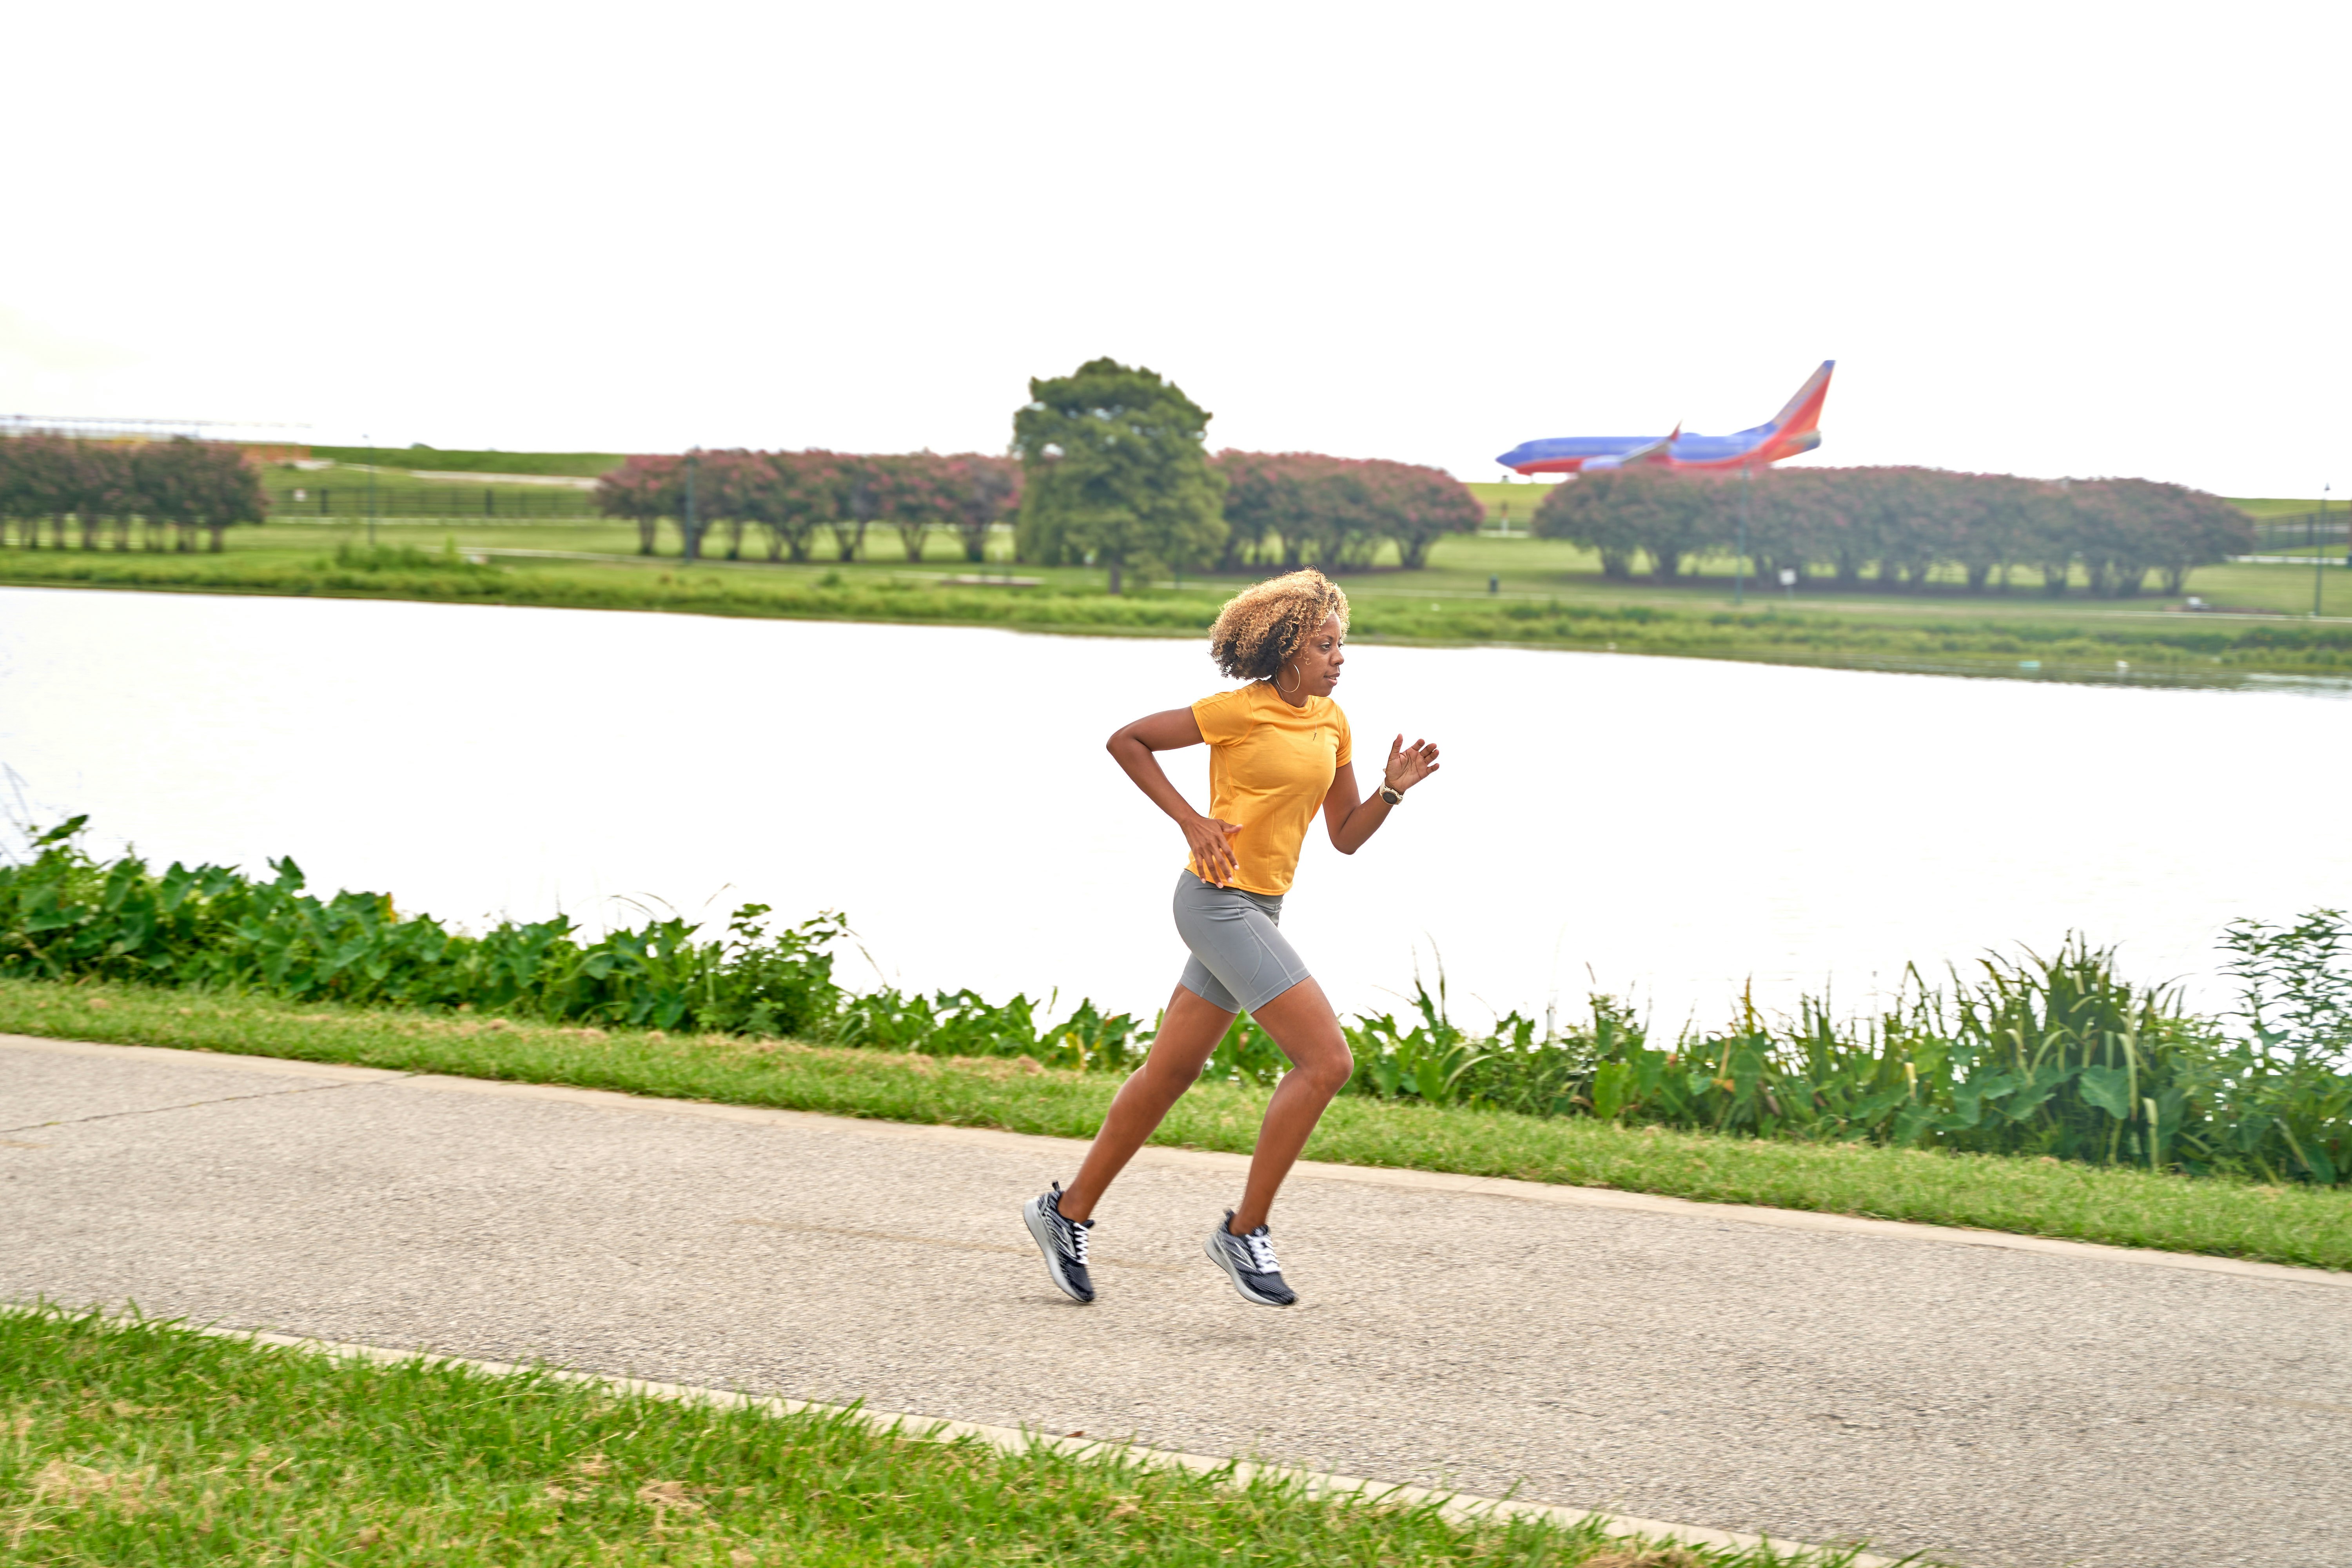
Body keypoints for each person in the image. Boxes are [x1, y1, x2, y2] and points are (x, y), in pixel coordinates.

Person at [1023, 568, 1440, 1307]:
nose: (1339, 658)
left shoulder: (1333, 722)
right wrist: (1191, 819)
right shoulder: (1236, 711)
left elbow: (1345, 837)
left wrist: (1393, 791)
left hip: (1264, 908)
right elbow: (1128, 741)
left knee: (1168, 1075)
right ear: (1287, 650)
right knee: (1326, 1062)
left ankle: (1066, 1213)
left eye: (1342, 645)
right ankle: (1244, 1231)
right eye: (1325, 645)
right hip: (1216, 903)